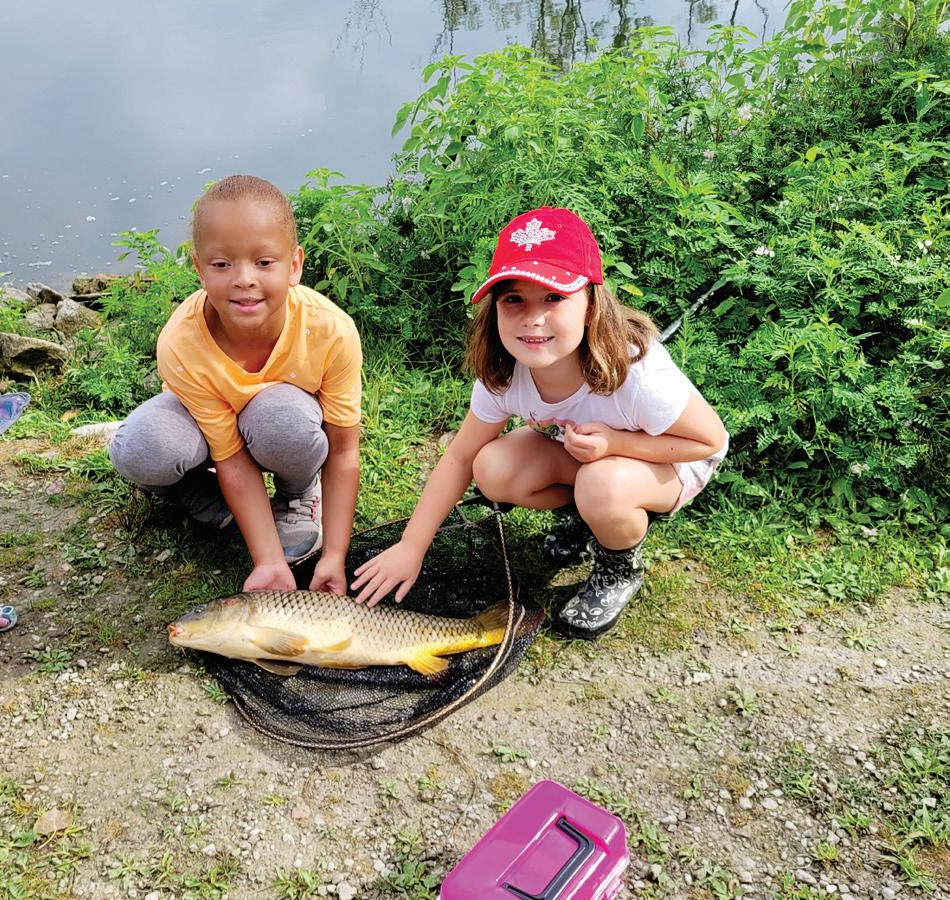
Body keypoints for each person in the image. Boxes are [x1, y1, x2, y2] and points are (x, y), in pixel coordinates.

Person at [352, 206, 728, 638]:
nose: (532, 318)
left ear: (591, 304)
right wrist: (411, 546)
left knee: (602, 485)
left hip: (674, 461)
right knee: (492, 467)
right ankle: (590, 520)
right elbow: (459, 457)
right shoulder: (505, 372)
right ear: (494, 307)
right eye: (514, 299)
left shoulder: (638, 373)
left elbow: (709, 440)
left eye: (553, 297)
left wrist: (615, 445)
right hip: (588, 454)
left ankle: (619, 567)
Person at [110, 175, 361, 594]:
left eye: (264, 262)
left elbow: (344, 450)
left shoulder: (332, 331)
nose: (244, 279)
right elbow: (230, 456)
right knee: (143, 447)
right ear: (199, 269)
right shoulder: (180, 342)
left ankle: (298, 493)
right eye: (222, 265)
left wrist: (335, 555)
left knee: (279, 417)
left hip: (283, 428)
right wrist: (269, 562)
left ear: (294, 265)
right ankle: (197, 492)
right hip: (209, 431)